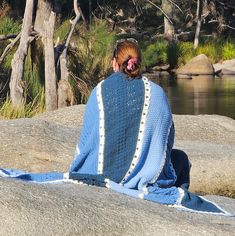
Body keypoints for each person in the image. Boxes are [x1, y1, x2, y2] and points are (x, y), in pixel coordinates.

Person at [0, 38, 231, 216]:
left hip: (101, 173)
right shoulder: (158, 94)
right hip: (147, 179)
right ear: (139, 63)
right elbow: (166, 140)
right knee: (179, 159)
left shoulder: (99, 92)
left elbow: (87, 143)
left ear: (114, 63)